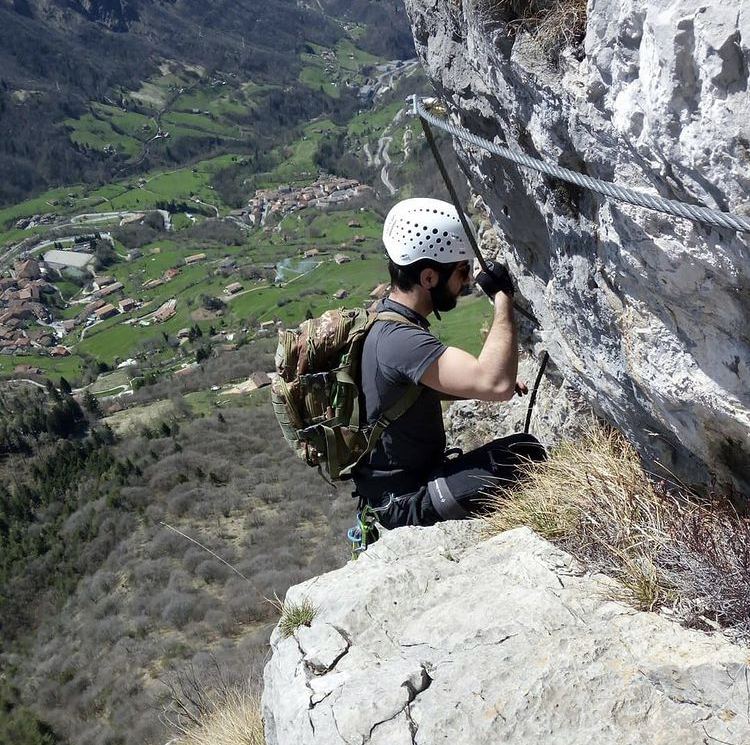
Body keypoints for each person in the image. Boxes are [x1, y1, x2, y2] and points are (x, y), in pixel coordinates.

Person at [352, 197, 546, 529]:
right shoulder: (400, 340)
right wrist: (503, 297)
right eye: (461, 271)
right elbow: (494, 384)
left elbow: (413, 390)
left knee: (520, 451)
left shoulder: (386, 320)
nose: (467, 280)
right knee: (525, 459)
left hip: (400, 488)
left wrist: (470, 387)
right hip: (406, 501)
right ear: (428, 277)